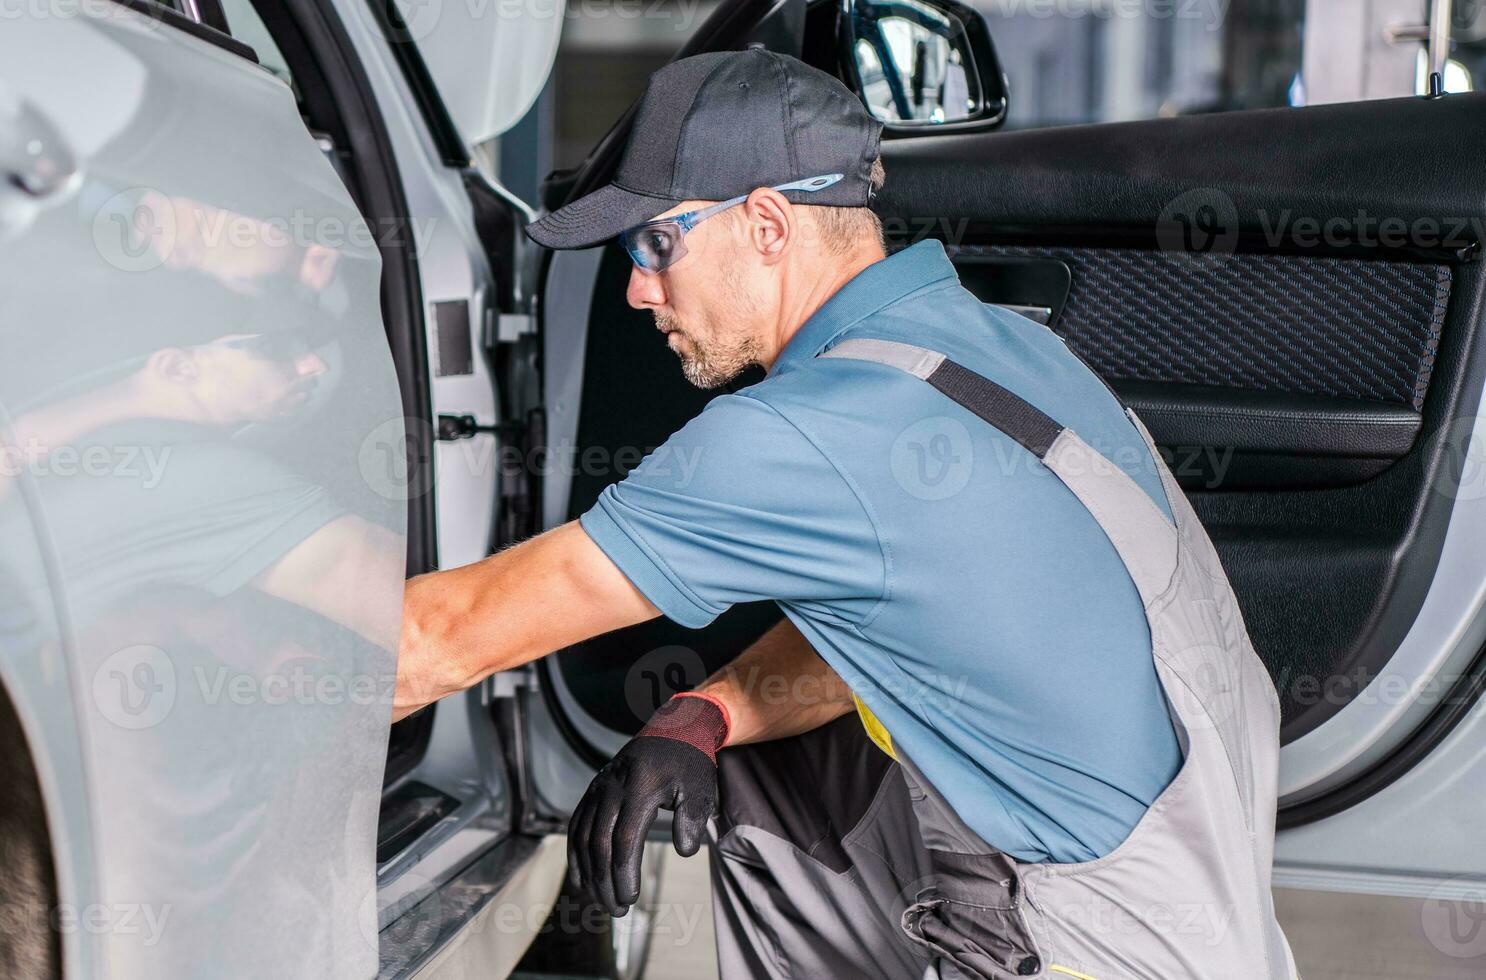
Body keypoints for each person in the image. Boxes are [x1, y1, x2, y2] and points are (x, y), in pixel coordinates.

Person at [395, 48, 1297, 980]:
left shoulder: (800, 436)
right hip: (1202, 921)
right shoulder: (1001, 352)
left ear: (770, 224)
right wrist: (700, 715)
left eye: (656, 243)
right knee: (769, 775)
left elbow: (435, 644)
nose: (636, 287)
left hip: (1081, 952)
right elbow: (911, 620)